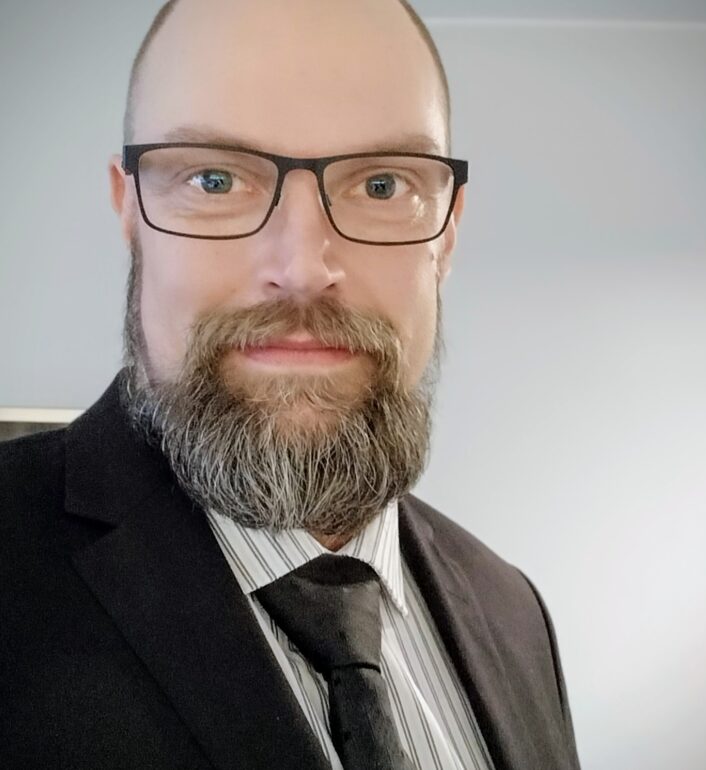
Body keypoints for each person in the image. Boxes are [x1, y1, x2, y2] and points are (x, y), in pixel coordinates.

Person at [0, 0, 581, 768]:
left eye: (381, 184)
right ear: (129, 209)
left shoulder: (514, 612)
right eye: (215, 179)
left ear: (447, 232)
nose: (304, 267)